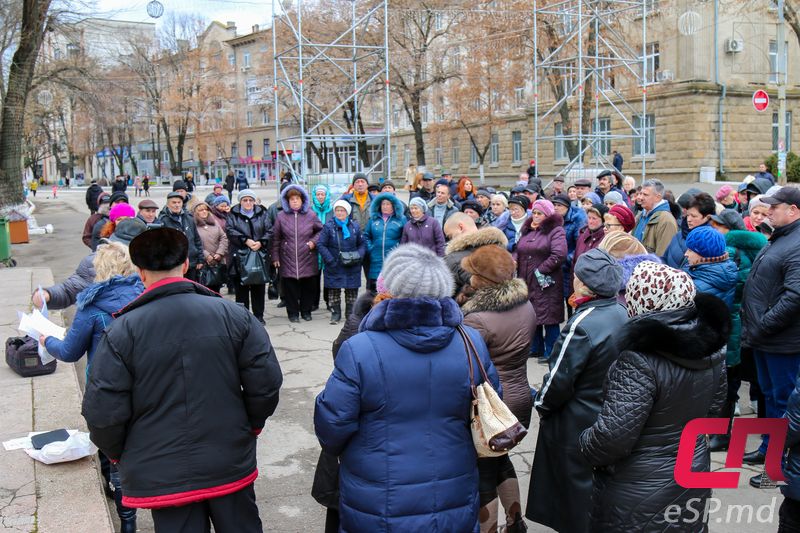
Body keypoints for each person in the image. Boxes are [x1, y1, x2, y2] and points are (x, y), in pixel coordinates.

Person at [81, 228, 283, 533]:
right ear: (185, 265)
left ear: (141, 272)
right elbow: (265, 383)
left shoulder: (122, 330)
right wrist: (249, 426)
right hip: (228, 457)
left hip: (162, 468)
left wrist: (120, 454)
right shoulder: (234, 315)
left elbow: (102, 411)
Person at [314, 243, 501, 533]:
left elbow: (332, 425)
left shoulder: (360, 349)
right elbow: (491, 404)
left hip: (377, 489)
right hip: (453, 480)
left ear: (394, 287)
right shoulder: (470, 342)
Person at [579, 261, 728, 531]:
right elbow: (713, 410)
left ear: (641, 299)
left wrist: (585, 442)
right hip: (692, 472)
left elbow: (612, 438)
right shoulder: (713, 348)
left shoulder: (638, 361)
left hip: (638, 488)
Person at [41, 242, 143, 532]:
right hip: (145, 386)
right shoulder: (145, 297)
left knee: (114, 452)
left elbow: (70, 351)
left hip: (107, 390)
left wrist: (46, 341)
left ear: (100, 268)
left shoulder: (92, 306)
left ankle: (127, 522)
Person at [528, 248, 627, 533]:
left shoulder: (583, 323)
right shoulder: (621, 311)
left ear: (584, 283)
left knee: (573, 494)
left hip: (576, 419)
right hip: (608, 414)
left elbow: (559, 379)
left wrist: (542, 405)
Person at [459, 245, 535, 532]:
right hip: (519, 398)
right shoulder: (524, 304)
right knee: (501, 460)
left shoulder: (476, 318)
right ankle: (516, 522)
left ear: (482, 279)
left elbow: (468, 365)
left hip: (492, 403)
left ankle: (489, 529)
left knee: (483, 474)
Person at [740, 187, 800, 486]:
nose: (768, 212)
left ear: (793, 210)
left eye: (774, 207)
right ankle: (768, 450)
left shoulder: (797, 243)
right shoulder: (781, 237)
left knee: (783, 401)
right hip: (765, 338)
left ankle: (780, 467)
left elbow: (794, 296)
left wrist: (763, 324)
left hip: (782, 341)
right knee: (768, 397)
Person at [707, 210, 768, 452]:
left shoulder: (732, 252)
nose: (714, 230)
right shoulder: (759, 248)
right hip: (753, 326)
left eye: (717, 226)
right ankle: (766, 435)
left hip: (735, 325)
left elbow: (734, 290)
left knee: (730, 381)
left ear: (728, 229)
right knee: (760, 383)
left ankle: (722, 434)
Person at [515, 200, 567, 361]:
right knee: (532, 315)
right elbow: (519, 250)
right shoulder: (528, 231)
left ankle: (551, 352)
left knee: (549, 317)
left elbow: (559, 254)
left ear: (548, 215)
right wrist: (514, 260)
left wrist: (540, 270)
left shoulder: (556, 231)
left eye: (540, 214)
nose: (536, 217)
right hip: (526, 280)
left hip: (547, 282)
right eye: (534, 213)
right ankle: (535, 348)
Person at [271, 185, 323, 322]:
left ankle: (306, 311)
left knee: (308, 287)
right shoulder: (281, 217)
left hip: (307, 256)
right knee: (290, 289)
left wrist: (313, 242)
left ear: (302, 200)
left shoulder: (311, 215)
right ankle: (293, 313)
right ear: (287, 201)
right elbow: (276, 238)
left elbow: (321, 231)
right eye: (291, 199)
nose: (294, 201)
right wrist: (275, 257)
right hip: (287, 257)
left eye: (297, 199)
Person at [227, 189, 272, 324]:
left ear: (254, 201)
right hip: (239, 256)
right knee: (241, 290)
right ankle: (243, 317)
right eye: (245, 200)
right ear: (240, 201)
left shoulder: (262, 213)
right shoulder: (233, 214)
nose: (248, 203)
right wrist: (245, 240)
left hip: (259, 254)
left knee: (258, 288)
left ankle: (259, 316)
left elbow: (270, 230)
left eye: (250, 200)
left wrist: (261, 242)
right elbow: (229, 230)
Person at [317, 200, 366, 324]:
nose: (340, 213)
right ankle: (335, 314)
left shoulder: (354, 226)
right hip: (334, 264)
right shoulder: (328, 227)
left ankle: (350, 314)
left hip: (352, 264)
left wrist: (359, 256)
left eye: (342, 210)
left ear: (347, 212)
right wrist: (330, 260)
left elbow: (362, 244)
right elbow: (321, 244)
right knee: (334, 291)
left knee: (351, 291)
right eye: (337, 210)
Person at [444, 215, 507, 300]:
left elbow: (447, 296)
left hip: (474, 309)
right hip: (508, 303)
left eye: (450, 236)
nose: (450, 241)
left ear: (461, 227)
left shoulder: (453, 259)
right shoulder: (499, 247)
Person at [363, 192, 406, 293]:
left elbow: (405, 237)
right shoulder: (373, 220)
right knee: (374, 291)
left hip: (393, 260)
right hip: (375, 260)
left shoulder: (401, 219)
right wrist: (371, 248)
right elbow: (366, 236)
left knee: (392, 290)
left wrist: (398, 249)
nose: (385, 206)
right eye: (383, 204)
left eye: (388, 204)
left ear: (393, 205)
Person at [156, 192, 205, 280]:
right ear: (168, 204)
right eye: (174, 202)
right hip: (174, 265)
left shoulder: (189, 218)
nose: (177, 205)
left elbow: (197, 240)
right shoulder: (163, 220)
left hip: (192, 262)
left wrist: (200, 259)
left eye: (179, 202)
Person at [662, 191, 715, 268]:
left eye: (693, 216)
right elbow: (664, 259)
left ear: (707, 217)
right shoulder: (678, 235)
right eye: (688, 215)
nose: (688, 219)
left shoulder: (710, 241)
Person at [632, 178, 678, 256]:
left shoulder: (666, 221)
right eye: (641, 193)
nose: (640, 198)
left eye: (645, 195)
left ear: (658, 197)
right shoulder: (641, 215)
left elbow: (662, 257)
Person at [193, 202, 228, 293]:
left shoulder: (214, 222)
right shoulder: (193, 225)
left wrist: (219, 253)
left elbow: (223, 237)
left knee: (216, 288)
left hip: (217, 261)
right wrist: (206, 255)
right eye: (201, 210)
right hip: (203, 262)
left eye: (206, 209)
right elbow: (195, 242)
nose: (204, 212)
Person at [311, 184, 334, 310]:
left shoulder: (332, 210)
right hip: (313, 250)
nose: (320, 197)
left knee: (329, 277)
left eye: (323, 194)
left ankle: (329, 301)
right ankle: (314, 302)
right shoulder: (310, 211)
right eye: (318, 194)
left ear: (327, 196)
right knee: (314, 278)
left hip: (329, 249)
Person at [572, 203, 607, 279]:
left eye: (594, 218)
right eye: (589, 218)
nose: (590, 221)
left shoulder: (605, 239)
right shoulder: (582, 235)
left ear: (603, 221)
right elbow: (575, 261)